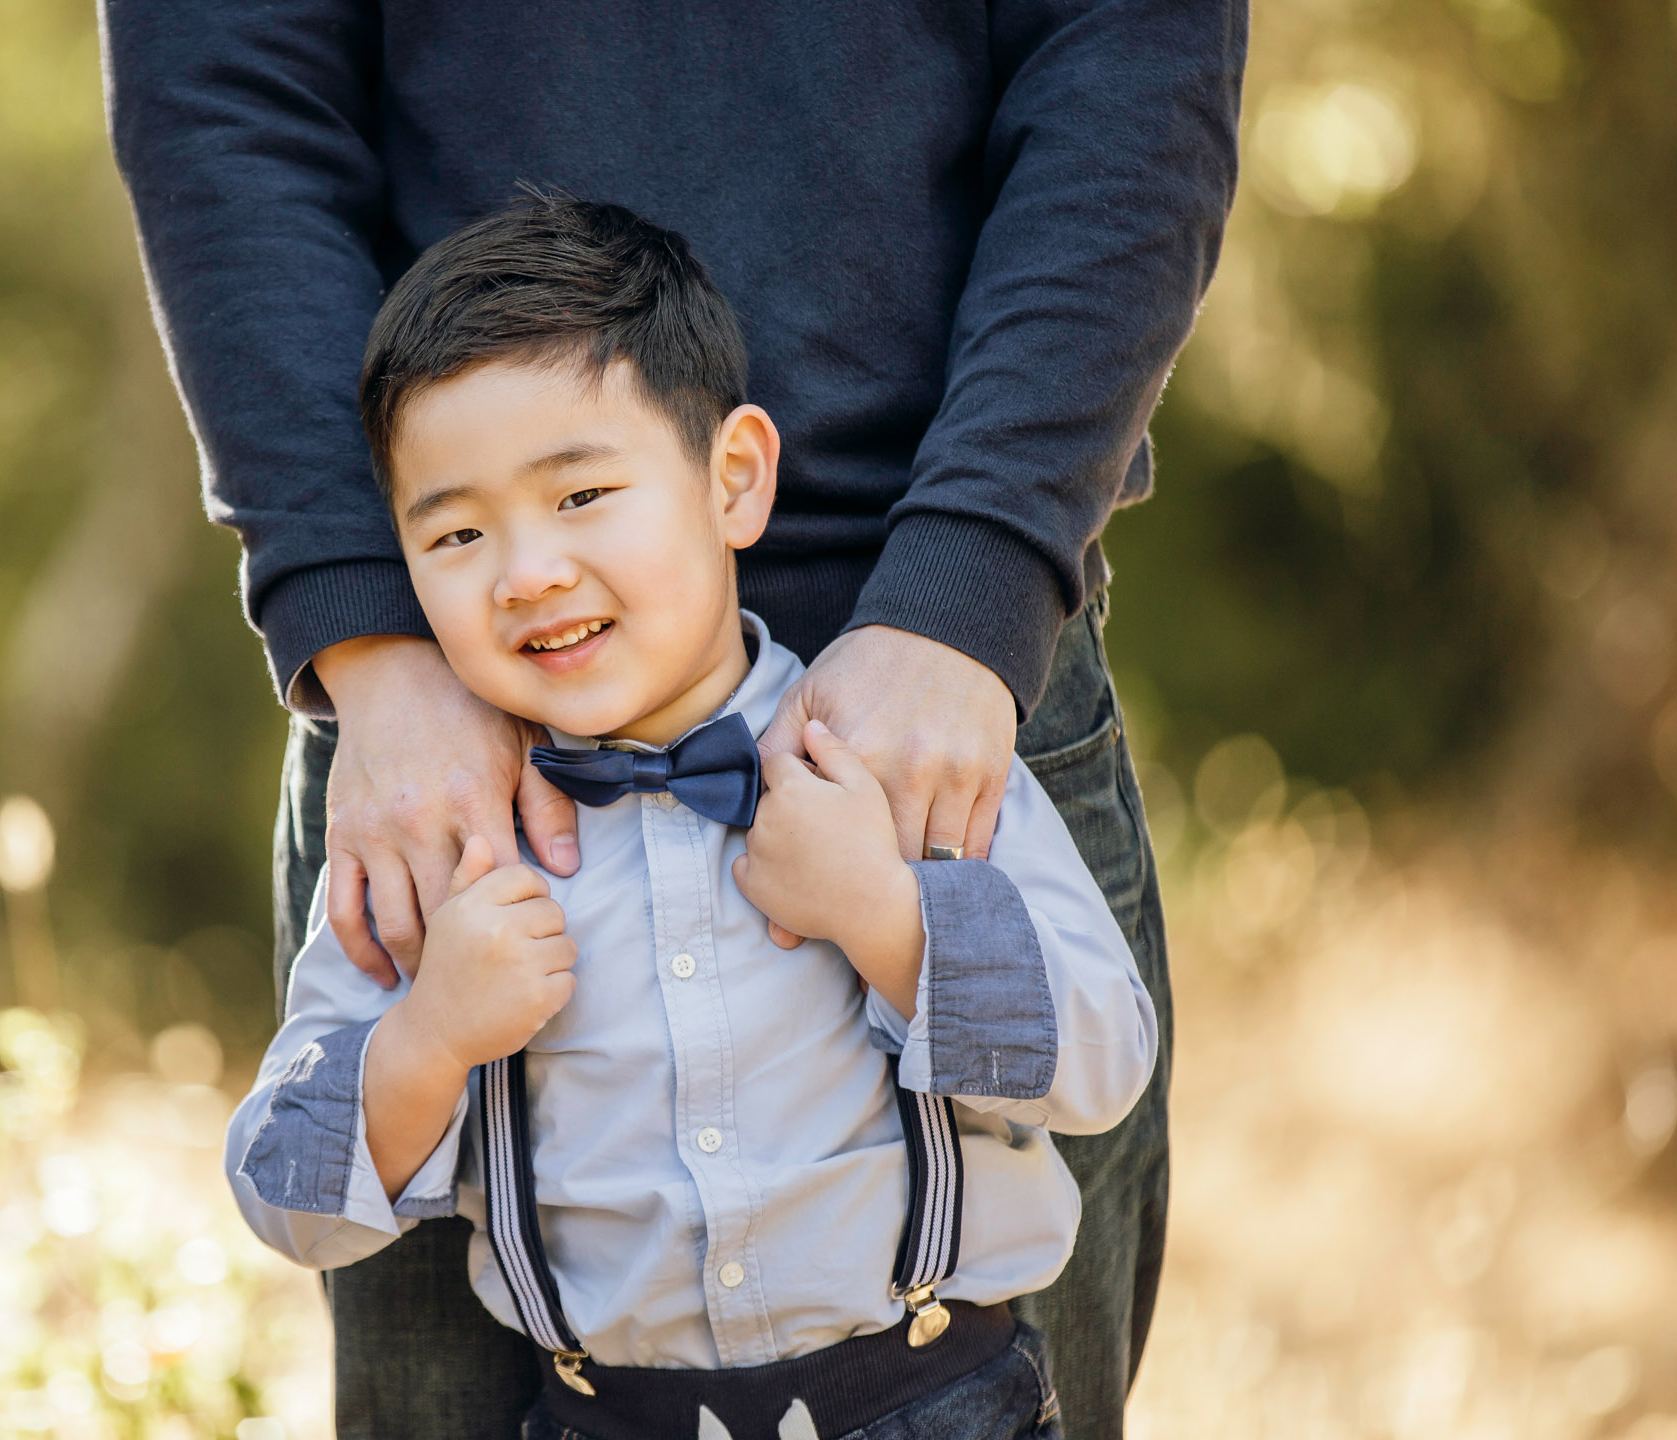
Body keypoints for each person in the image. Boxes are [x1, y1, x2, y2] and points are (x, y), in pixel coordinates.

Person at [101, 4, 1244, 1434]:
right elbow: (219, 88)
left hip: (946, 675)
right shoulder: (440, 889)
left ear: (736, 478)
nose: (532, 572)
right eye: (464, 533)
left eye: (580, 497)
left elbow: (1094, 1061)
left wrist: (963, 636)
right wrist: (420, 1031)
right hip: (432, 732)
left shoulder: (927, 805)